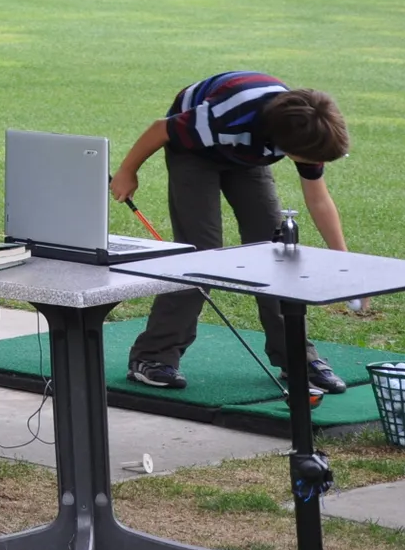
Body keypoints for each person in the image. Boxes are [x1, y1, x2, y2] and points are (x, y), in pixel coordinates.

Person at [112, 70, 353, 395]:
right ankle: (152, 357)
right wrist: (128, 171)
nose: (314, 163)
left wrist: (345, 261)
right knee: (202, 255)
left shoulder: (308, 130)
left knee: (276, 252)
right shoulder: (228, 115)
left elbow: (318, 199)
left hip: (247, 156)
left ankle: (297, 358)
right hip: (194, 153)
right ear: (284, 145)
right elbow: (161, 129)